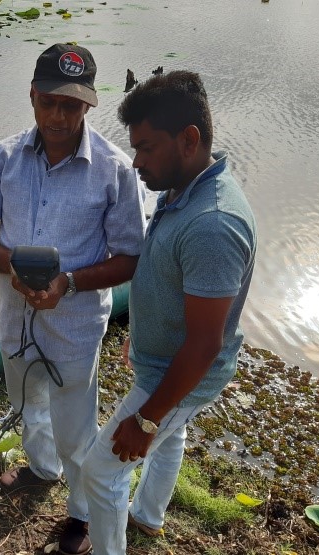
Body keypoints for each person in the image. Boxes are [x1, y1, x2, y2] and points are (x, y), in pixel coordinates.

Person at [0, 44, 146, 555]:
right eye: (49, 102)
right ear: (32, 96)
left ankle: (80, 512)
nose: (59, 117)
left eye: (72, 105)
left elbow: (129, 257)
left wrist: (66, 282)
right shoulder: (4, 156)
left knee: (76, 426)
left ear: (88, 105)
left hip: (76, 324)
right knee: (25, 403)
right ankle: (41, 469)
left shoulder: (114, 169)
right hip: (15, 314)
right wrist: (14, 268)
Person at [81, 70, 257, 554]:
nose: (136, 162)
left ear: (189, 139)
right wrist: (140, 341)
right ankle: (149, 516)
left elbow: (204, 344)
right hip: (160, 359)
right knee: (170, 440)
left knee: (102, 471)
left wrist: (147, 419)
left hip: (179, 374)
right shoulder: (185, 185)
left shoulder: (213, 223)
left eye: (146, 148)